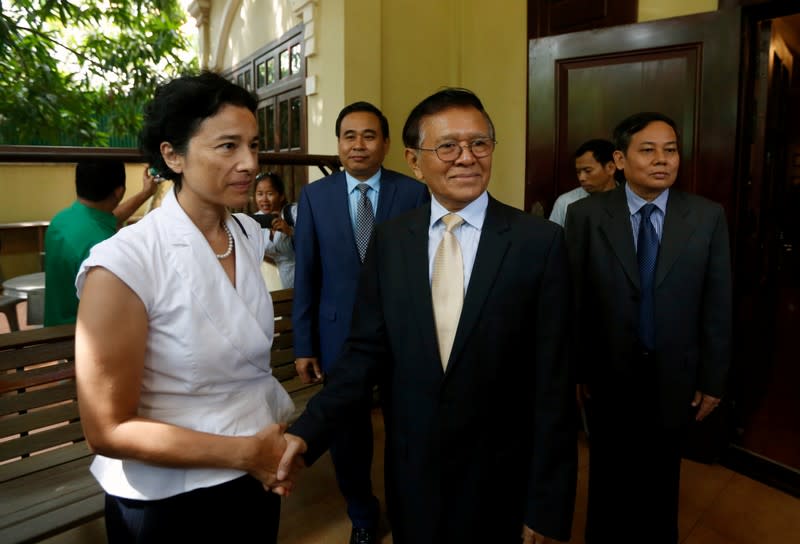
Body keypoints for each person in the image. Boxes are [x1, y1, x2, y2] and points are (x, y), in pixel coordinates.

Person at [281, 88, 577, 544]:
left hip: (500, 479)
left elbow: (554, 384)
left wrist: (547, 504)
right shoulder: (392, 241)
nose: (466, 158)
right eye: (447, 146)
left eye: (479, 143)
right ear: (415, 161)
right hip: (413, 472)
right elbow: (363, 354)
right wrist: (305, 434)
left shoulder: (539, 243)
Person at [74, 72, 294, 543]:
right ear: (172, 155)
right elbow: (108, 428)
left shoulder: (248, 235)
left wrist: (260, 455)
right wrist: (243, 454)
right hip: (168, 498)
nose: (250, 163)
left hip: (255, 474)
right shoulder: (125, 262)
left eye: (253, 145)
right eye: (228, 146)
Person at [564, 112, 732, 543]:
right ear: (619, 159)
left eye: (670, 150)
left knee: (662, 480)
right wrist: (575, 372)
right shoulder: (586, 215)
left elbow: (717, 303)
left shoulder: (706, 217)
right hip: (607, 374)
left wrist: (712, 378)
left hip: (674, 374)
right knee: (608, 478)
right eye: (648, 150)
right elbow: (574, 299)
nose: (663, 160)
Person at [292, 101, 429, 544]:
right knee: (348, 437)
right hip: (339, 337)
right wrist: (304, 344)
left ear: (386, 144)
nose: (358, 144)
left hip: (402, 335)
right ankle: (363, 517)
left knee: (406, 429)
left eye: (369, 136)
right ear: (338, 144)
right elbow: (307, 273)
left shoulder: (412, 193)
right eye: (349, 136)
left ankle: (408, 509)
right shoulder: (315, 197)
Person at [43, 160, 157, 326]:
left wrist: (145, 193)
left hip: (55, 327)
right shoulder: (105, 246)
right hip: (82, 335)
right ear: (119, 192)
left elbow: (107, 219)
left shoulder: (61, 221)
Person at [548, 138, 618, 227]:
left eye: (588, 171)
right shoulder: (566, 202)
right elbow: (553, 237)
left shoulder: (628, 199)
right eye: (578, 172)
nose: (581, 178)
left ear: (610, 168)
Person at [254, 171, 297, 288]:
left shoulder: (294, 213)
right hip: (272, 285)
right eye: (260, 194)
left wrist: (290, 231)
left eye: (269, 193)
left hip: (301, 282)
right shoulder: (254, 220)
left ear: (281, 195)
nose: (264, 199)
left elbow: (315, 241)